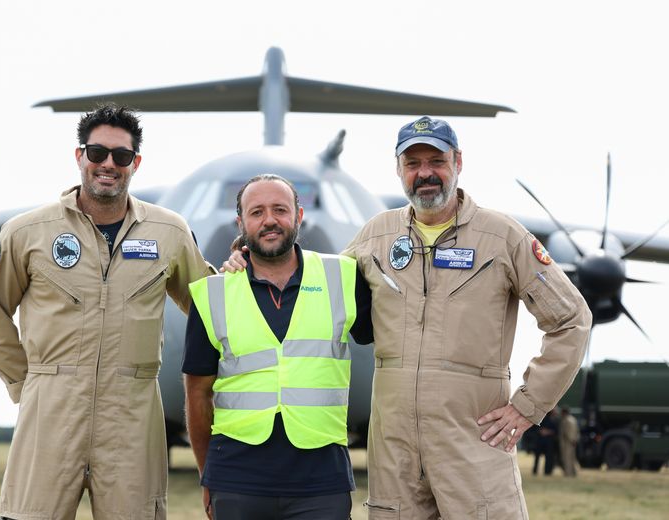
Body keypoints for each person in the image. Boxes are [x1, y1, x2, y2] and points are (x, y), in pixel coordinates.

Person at [223, 116, 592, 519]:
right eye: (413, 164)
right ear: (399, 170)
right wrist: (249, 259)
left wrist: (528, 405)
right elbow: (311, 282)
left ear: (458, 163)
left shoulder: (502, 237)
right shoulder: (376, 237)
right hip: (395, 453)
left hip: (472, 443)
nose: (425, 173)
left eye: (436, 161)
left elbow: (571, 319)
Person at [0, 103, 214, 520]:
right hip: (50, 410)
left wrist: (244, 275)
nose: (108, 164)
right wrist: (28, 383)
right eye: (97, 152)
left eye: (121, 156)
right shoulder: (27, 232)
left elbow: (210, 305)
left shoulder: (168, 232)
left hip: (132, 417)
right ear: (79, 155)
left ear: (135, 163)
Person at [184, 174, 373, 520]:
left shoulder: (344, 277)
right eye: (256, 212)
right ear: (240, 224)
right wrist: (206, 474)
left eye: (280, 210)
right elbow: (197, 394)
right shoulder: (212, 294)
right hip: (236, 479)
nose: (269, 220)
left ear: (299, 216)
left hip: (322, 481)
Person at [532, 408, 559, 476]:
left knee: (548, 457)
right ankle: (535, 470)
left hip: (549, 442)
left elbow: (556, 431)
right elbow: (535, 428)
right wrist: (541, 431)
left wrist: (548, 432)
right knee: (537, 457)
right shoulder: (542, 419)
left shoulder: (554, 420)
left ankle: (547, 471)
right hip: (540, 441)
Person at [559, 407, 580, 476]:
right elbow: (577, 431)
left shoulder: (565, 420)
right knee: (573, 458)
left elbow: (566, 432)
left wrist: (571, 440)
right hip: (573, 442)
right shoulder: (573, 419)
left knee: (567, 458)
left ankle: (568, 473)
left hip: (567, 442)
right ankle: (574, 472)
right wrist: (575, 440)